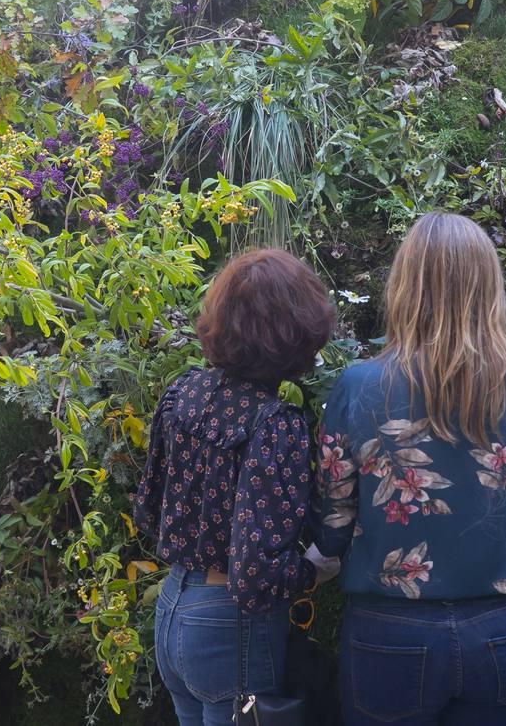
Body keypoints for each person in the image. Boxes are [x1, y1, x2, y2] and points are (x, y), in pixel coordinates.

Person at [315, 212, 506, 726]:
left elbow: (332, 524)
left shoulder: (359, 386)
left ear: (404, 286)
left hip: (389, 632)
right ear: (489, 287)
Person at [133, 248, 338, 726]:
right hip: (230, 625)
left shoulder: (182, 392)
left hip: (172, 607)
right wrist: (313, 571)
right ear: (297, 332)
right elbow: (255, 576)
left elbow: (147, 510)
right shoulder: (274, 424)